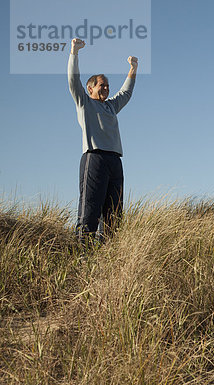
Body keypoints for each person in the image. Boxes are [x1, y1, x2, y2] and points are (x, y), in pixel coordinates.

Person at [68, 37, 138, 243]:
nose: (106, 88)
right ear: (90, 89)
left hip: (115, 161)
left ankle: (107, 254)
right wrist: (74, 52)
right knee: (90, 209)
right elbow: (73, 79)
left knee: (114, 213)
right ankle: (83, 253)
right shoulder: (84, 103)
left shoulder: (111, 106)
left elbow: (126, 92)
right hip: (94, 158)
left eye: (107, 85)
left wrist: (133, 69)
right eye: (101, 85)